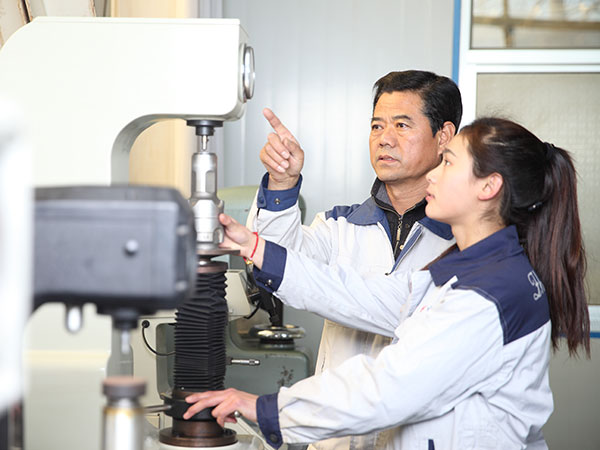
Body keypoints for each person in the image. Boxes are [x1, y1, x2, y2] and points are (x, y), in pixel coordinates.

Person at [184, 117, 590, 450]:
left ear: (489, 186)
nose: (434, 174)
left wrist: (266, 409)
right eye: (377, 125)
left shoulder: (489, 294)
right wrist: (254, 246)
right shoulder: (473, 271)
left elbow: (388, 389)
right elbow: (359, 294)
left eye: (448, 163)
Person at [245, 70, 461, 449]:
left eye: (402, 125)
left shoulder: (464, 240)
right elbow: (277, 263)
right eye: (377, 126)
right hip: (335, 439)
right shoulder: (339, 226)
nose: (384, 139)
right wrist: (281, 184)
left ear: (443, 136)